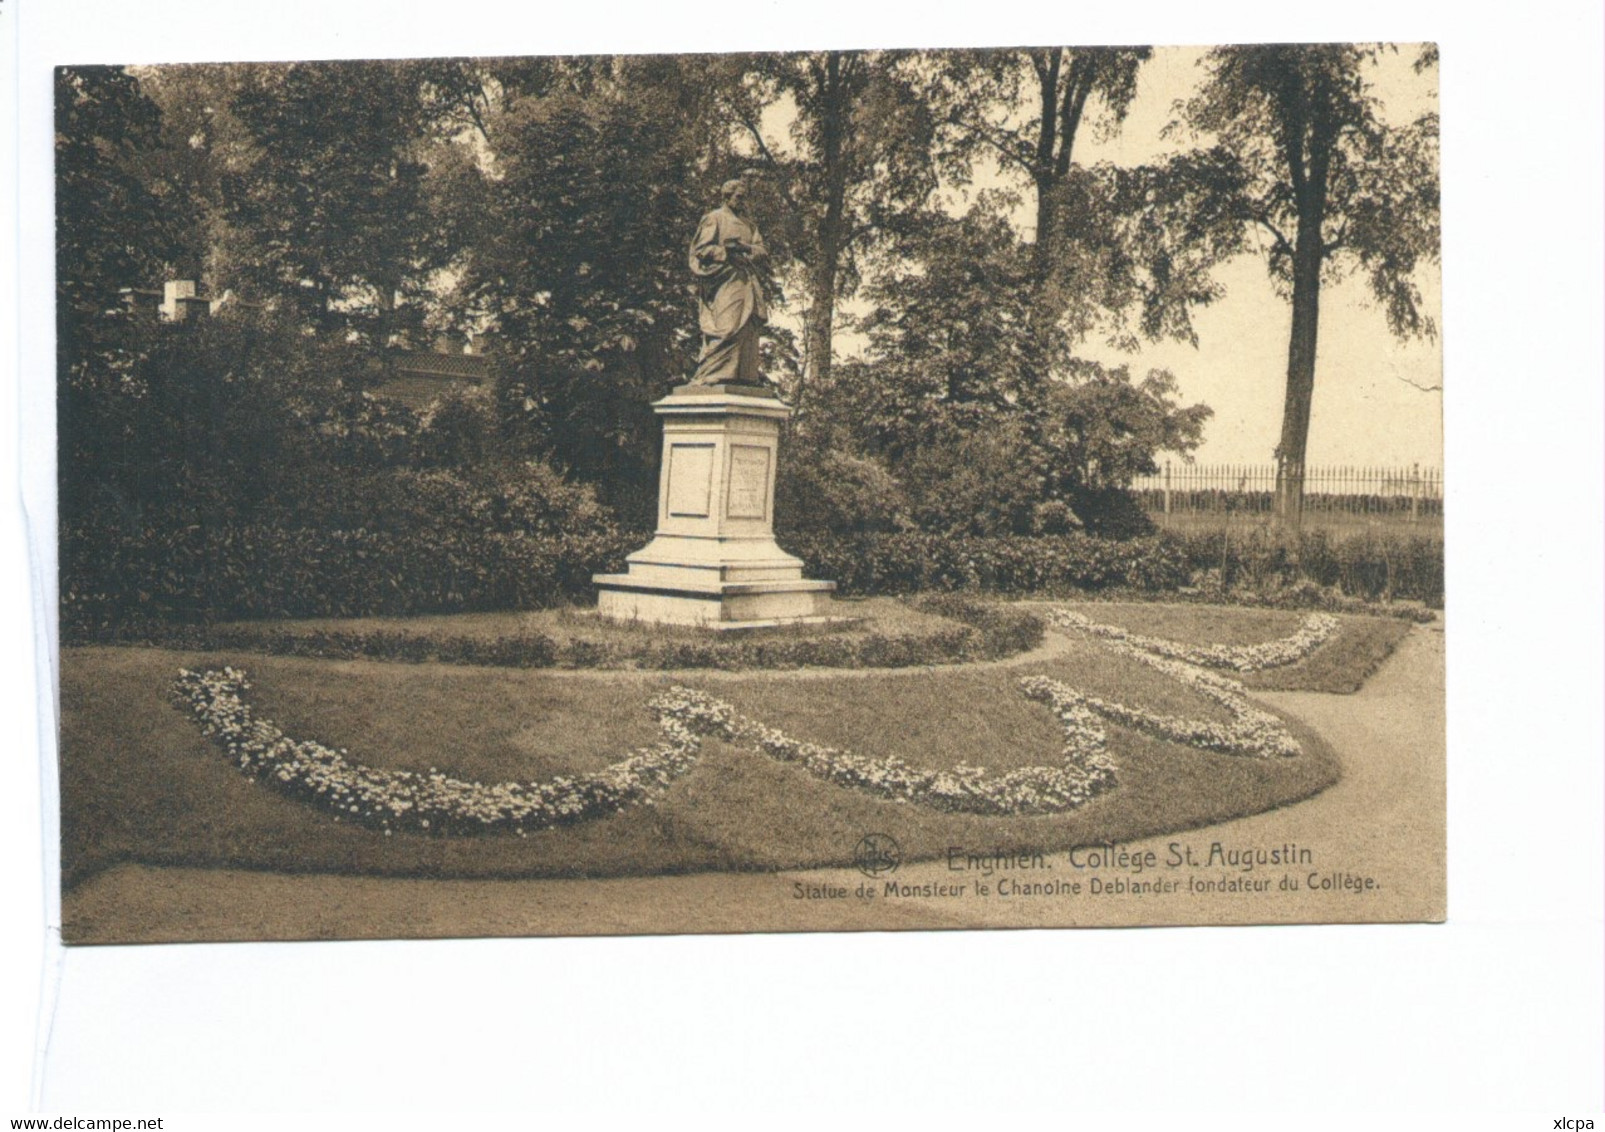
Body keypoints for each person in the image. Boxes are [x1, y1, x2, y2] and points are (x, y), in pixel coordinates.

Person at [687, 178, 770, 386]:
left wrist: (746, 248)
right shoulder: (714, 218)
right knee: (728, 326)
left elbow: (761, 251)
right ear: (727, 196)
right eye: (739, 197)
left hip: (746, 279)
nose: (742, 202)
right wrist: (726, 252)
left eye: (745, 198)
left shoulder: (749, 225)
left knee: (748, 327)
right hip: (725, 279)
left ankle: (744, 375)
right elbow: (701, 250)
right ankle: (712, 373)